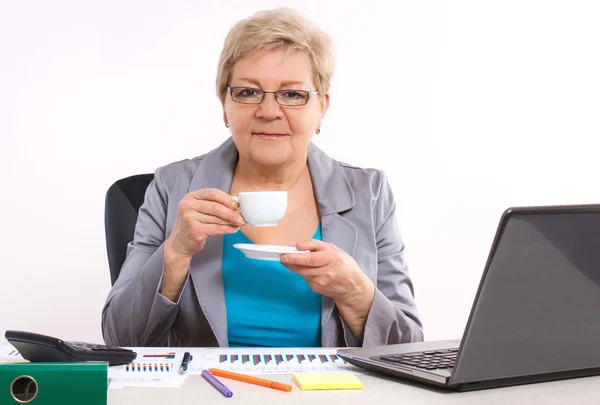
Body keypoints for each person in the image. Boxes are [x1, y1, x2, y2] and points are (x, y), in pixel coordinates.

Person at [102, 7, 423, 348]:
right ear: (225, 105)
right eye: (248, 92)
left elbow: (409, 347)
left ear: (322, 108)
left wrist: (355, 292)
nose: (269, 112)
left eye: (293, 94)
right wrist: (176, 252)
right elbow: (120, 339)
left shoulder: (369, 194)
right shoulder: (171, 187)